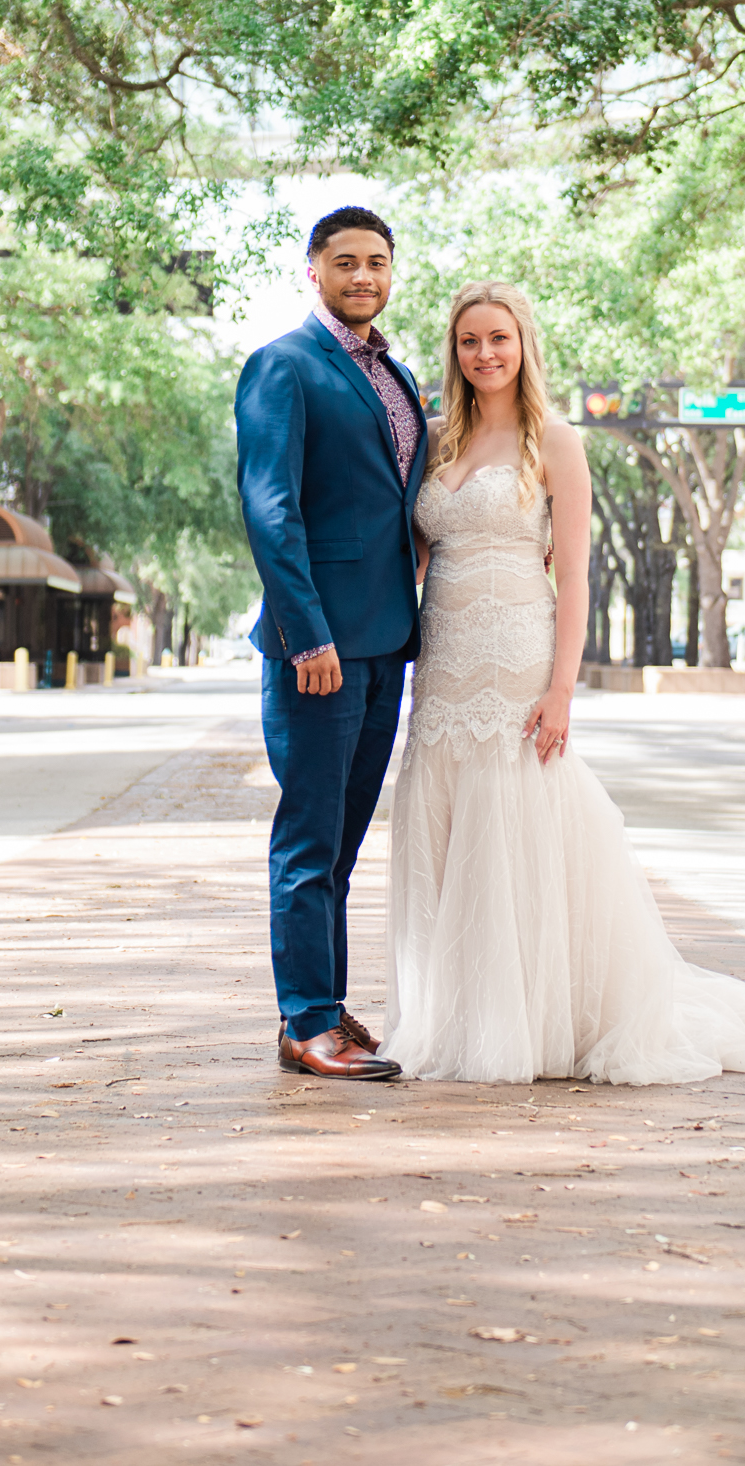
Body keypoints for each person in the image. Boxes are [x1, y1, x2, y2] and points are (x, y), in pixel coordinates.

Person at [383, 281, 745, 1085]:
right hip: (444, 661)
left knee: (516, 834)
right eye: (469, 342)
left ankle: (530, 1022)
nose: (484, 354)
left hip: (519, 658)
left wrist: (561, 690)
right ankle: (452, 1014)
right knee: (447, 834)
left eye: (498, 338)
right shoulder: (434, 442)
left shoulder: (555, 441)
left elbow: (575, 578)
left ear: (524, 345)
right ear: (454, 352)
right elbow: (416, 555)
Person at [235, 208, 428, 1081]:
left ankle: (328, 1005)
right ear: (313, 270)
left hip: (387, 641)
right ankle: (302, 1020)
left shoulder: (397, 373)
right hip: (317, 649)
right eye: (345, 262)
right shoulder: (282, 365)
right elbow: (270, 508)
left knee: (345, 839)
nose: (362, 276)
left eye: (376, 262)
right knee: (310, 836)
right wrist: (307, 633)